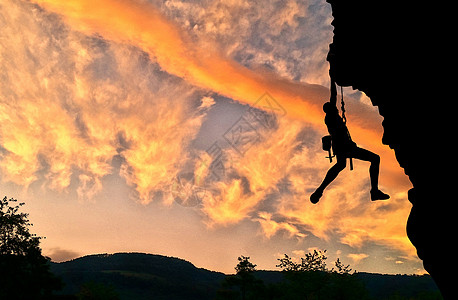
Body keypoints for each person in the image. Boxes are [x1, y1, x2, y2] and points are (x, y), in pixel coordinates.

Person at [310, 79, 390, 204]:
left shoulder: (332, 116)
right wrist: (332, 79)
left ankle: (320, 190)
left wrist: (332, 79)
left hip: (342, 147)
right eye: (332, 107)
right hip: (345, 146)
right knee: (375, 159)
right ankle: (374, 191)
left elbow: (333, 95)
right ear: (329, 110)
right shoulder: (330, 118)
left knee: (340, 165)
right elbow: (333, 96)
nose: (335, 107)